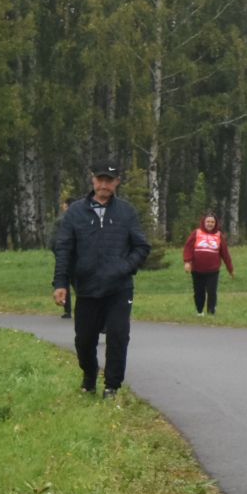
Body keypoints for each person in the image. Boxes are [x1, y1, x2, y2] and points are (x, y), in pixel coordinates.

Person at [52, 161, 150, 398]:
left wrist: (124, 267)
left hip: (119, 288)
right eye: (100, 179)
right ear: (93, 180)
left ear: (116, 183)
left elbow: (141, 246)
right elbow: (63, 248)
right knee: (84, 340)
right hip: (86, 287)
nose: (104, 184)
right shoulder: (75, 212)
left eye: (109, 180)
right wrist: (61, 283)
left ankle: (112, 386)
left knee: (118, 336)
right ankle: (89, 375)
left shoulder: (126, 212)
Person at [180, 210, 235, 315]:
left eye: (212, 222)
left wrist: (230, 269)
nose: (210, 224)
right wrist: (187, 262)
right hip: (197, 269)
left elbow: (225, 254)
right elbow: (188, 248)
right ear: (204, 222)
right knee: (199, 292)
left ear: (215, 224)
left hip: (213, 270)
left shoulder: (219, 236)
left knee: (212, 292)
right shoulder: (196, 233)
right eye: (208, 221)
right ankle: (199, 311)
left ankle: (211, 312)